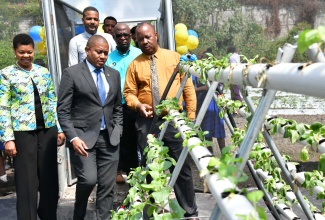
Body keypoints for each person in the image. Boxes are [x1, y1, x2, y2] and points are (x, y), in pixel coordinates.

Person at [123, 22, 198, 218]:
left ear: (155, 35)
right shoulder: (135, 64)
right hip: (147, 122)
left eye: (148, 37)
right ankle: (153, 212)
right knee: (149, 167)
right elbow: (129, 93)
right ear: (136, 41)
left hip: (173, 120)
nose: (145, 41)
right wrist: (138, 105)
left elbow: (187, 88)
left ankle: (190, 213)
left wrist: (190, 117)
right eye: (140, 39)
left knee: (180, 167)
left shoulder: (174, 58)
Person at [0, 33, 65, 220]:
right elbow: (3, 108)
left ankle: (48, 215)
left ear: (33, 51)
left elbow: (53, 101)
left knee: (48, 177)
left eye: (29, 52)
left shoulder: (43, 72)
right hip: (22, 132)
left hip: (47, 130)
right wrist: (8, 139)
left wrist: (59, 128)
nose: (26, 56)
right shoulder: (6, 74)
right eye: (22, 52)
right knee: (26, 180)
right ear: (15, 51)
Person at [58, 35, 123, 220]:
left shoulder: (114, 74)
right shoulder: (72, 73)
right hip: (83, 139)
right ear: (87, 50)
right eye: (98, 52)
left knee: (107, 186)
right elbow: (63, 110)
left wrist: (118, 130)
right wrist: (73, 137)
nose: (103, 56)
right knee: (88, 179)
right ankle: (79, 213)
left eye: (105, 53)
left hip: (110, 138)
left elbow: (117, 107)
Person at [106, 23, 142, 184]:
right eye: (118, 35)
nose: (122, 38)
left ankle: (143, 178)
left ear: (131, 36)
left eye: (125, 35)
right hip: (118, 107)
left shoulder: (139, 54)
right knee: (124, 144)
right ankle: (128, 178)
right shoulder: (108, 58)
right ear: (114, 37)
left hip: (138, 107)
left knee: (142, 142)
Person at [192, 76, 226, 151]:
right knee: (206, 130)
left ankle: (224, 154)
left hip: (213, 100)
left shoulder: (213, 69)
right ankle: (210, 155)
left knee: (218, 129)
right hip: (202, 100)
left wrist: (195, 90)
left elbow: (212, 85)